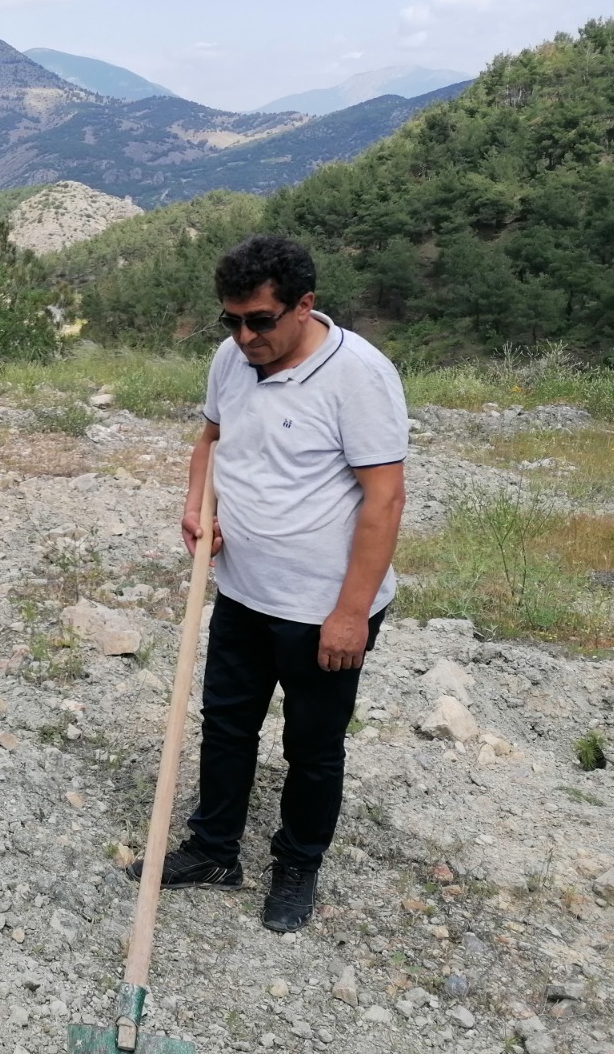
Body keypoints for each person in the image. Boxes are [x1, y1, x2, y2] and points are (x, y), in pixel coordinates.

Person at [129, 235, 407, 932]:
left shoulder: (361, 377)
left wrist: (349, 614)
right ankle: (213, 849)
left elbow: (385, 499)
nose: (244, 335)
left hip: (322, 608)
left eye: (259, 320)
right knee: (227, 726)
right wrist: (196, 507)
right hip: (240, 590)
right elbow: (211, 440)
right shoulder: (232, 358)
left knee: (312, 750)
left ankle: (297, 865)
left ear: (304, 306)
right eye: (231, 320)